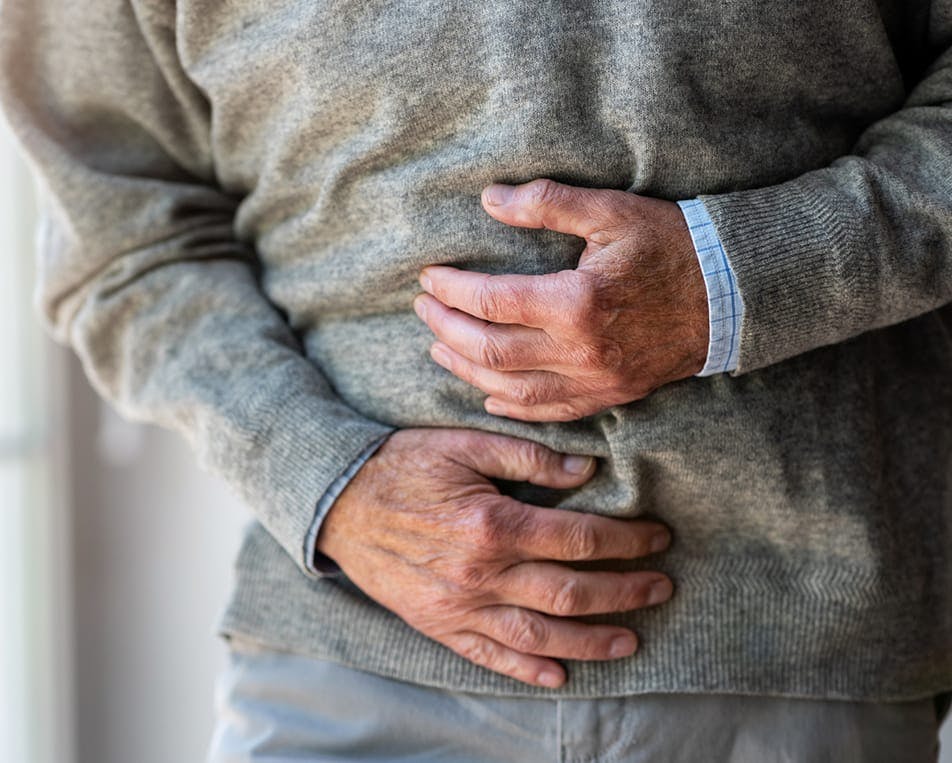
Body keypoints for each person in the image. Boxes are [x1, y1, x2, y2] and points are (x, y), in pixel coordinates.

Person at [1, 0, 950, 760]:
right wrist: (325, 480)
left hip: (811, 664)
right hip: (347, 673)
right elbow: (124, 238)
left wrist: (742, 279)